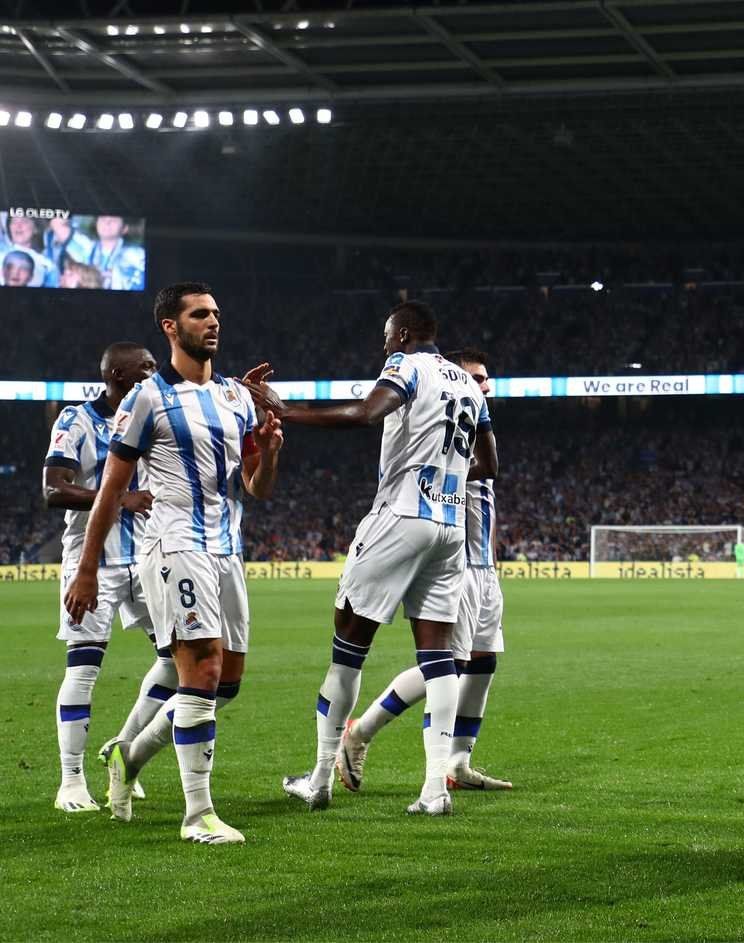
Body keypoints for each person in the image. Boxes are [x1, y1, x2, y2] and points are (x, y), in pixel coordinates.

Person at [250, 301, 496, 816]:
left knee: (348, 651)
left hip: (399, 518)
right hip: (451, 527)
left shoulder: (406, 365)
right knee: (438, 660)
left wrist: (284, 409)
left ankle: (319, 781)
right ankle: (433, 792)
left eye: (387, 337)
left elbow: (366, 413)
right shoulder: (471, 386)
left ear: (404, 334)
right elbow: (489, 462)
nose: (384, 346)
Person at [64, 282, 284, 844]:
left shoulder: (237, 396)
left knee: (225, 684)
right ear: (171, 326)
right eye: (199, 314)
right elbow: (112, 491)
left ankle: (128, 758)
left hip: (227, 550)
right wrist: (87, 570)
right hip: (173, 544)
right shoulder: (147, 399)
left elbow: (257, 488)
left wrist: (271, 449)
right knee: (202, 671)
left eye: (216, 313)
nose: (213, 322)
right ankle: (197, 815)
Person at [334, 348, 512, 794]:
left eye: (486, 379)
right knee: (448, 664)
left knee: (483, 662)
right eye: (475, 377)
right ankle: (359, 733)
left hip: (484, 570)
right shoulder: (440, 440)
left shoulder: (472, 431)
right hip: (458, 564)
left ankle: (459, 762)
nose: (482, 386)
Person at [43, 342, 164, 813]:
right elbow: (54, 490)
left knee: (178, 660)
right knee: (84, 667)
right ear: (118, 373)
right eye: (147, 367)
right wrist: (119, 500)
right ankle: (70, 780)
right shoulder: (76, 420)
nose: (155, 372)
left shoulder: (152, 416)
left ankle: (125, 746)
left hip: (150, 557)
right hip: (93, 561)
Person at [88, 216, 146, 291]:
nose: (107, 223)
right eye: (102, 219)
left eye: (114, 220)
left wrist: (117, 277)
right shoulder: (86, 248)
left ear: (124, 229)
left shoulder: (137, 254)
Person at [4, 215, 58, 287]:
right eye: (14, 221)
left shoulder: (48, 265)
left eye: (24, 221)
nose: (18, 226)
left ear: (35, 228)